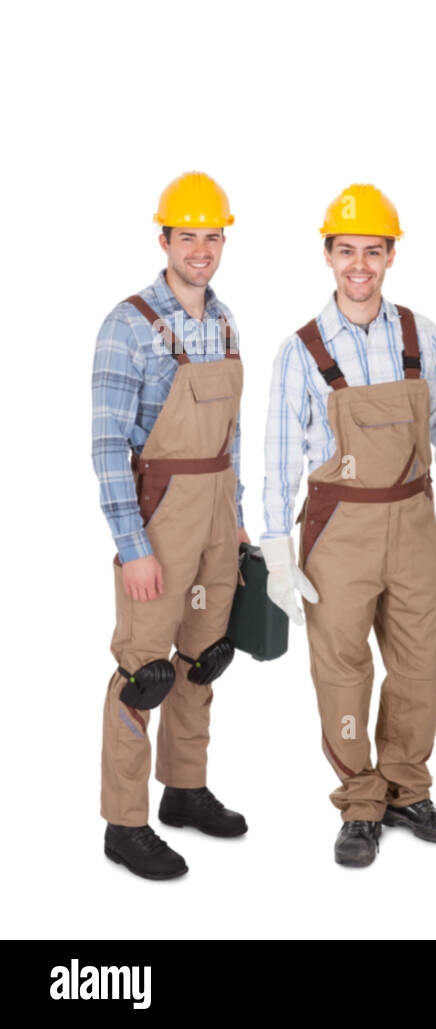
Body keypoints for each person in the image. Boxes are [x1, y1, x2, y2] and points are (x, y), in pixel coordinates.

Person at [262, 184, 436, 868]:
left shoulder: (422, 335)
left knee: (421, 663)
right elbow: (275, 456)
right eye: (347, 250)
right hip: (339, 530)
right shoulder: (300, 351)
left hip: (413, 519)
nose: (360, 263)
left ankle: (406, 789)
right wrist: (276, 551)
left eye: (374, 250)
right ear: (328, 255)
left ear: (391, 256)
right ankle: (360, 799)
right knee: (342, 666)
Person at [93, 171, 249, 880]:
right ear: (164, 239)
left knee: (203, 657)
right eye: (187, 236)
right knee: (144, 671)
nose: (200, 250)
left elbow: (231, 433)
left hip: (216, 512)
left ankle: (183, 789)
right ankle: (125, 824)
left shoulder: (223, 321)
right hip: (159, 519)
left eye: (211, 237)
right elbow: (105, 445)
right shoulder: (128, 324)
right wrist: (132, 547)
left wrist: (237, 520)